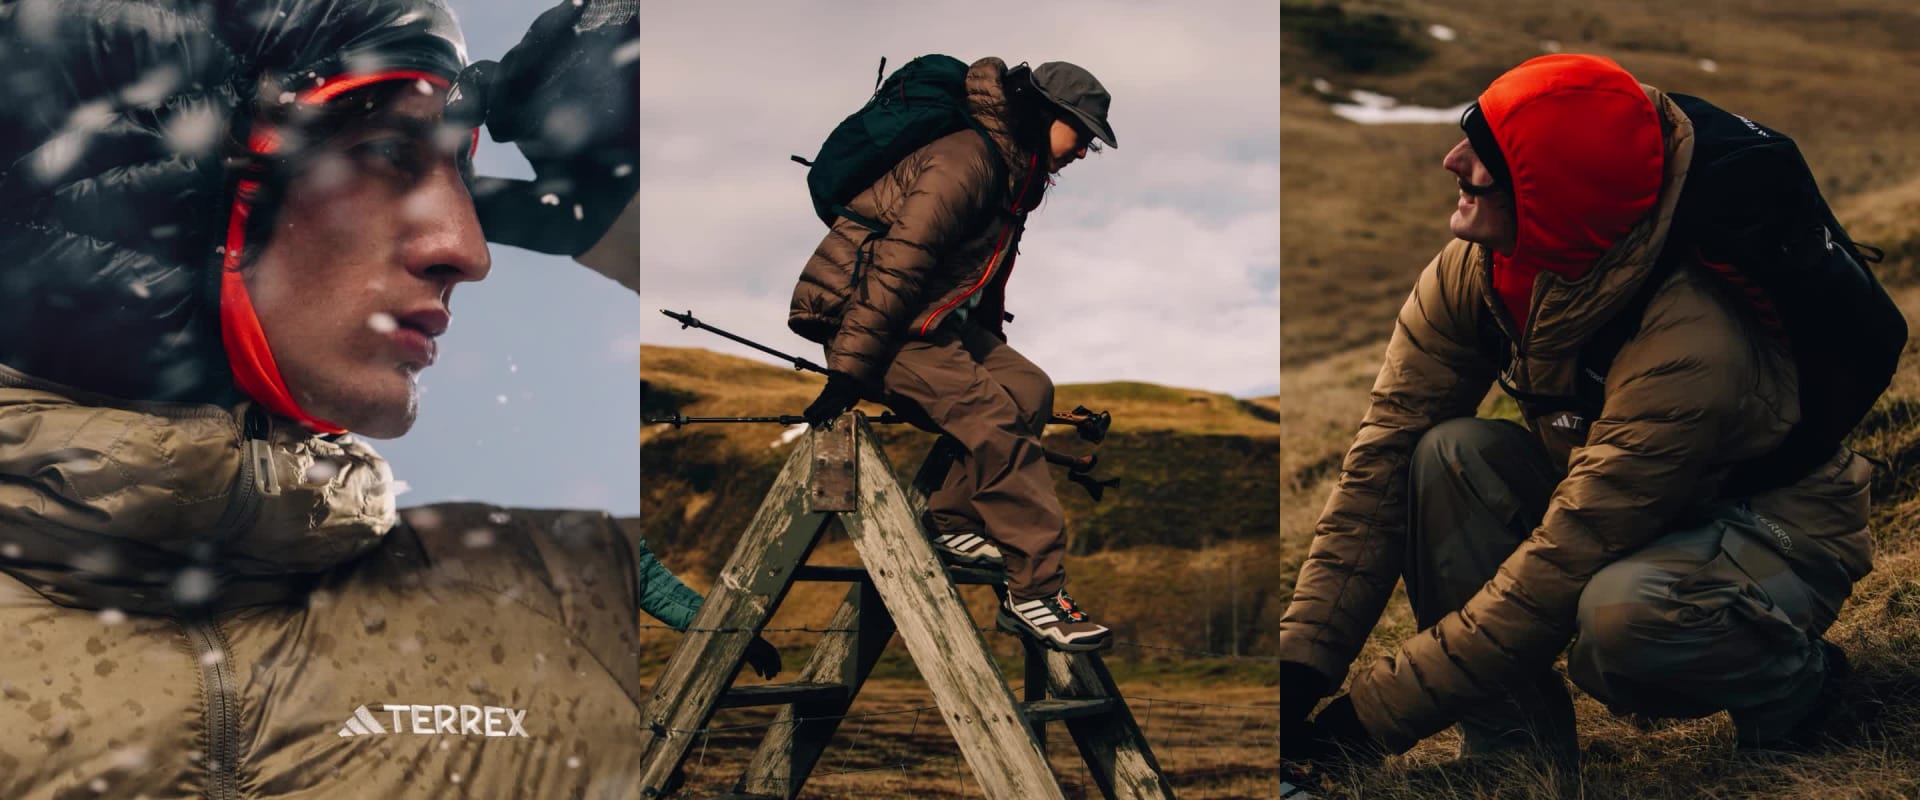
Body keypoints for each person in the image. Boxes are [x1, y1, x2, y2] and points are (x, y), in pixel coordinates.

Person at [0, 1, 772, 796]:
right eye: (386, 151)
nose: (470, 250)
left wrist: (624, 222)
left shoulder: (567, 601)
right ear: (160, 183)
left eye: (460, 173)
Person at [1279, 54, 1875, 767]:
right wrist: (1297, 668)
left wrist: (1363, 724)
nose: (1453, 161)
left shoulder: (1691, 337)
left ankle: (1800, 691)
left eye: (1486, 157)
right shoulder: (1477, 270)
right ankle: (1512, 755)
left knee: (1628, 621)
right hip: (1628, 502)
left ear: (1553, 198)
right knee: (1446, 455)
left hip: (1770, 529)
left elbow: (1566, 560)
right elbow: (1380, 464)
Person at [788, 58, 1119, 653]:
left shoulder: (1015, 173)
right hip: (874, 321)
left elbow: (980, 280)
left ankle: (955, 521)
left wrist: (987, 354)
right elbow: (899, 264)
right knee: (993, 423)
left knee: (1028, 389)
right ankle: (1037, 594)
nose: (1083, 151)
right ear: (1046, 113)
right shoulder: (967, 160)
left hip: (931, 321)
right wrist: (848, 372)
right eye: (1082, 134)